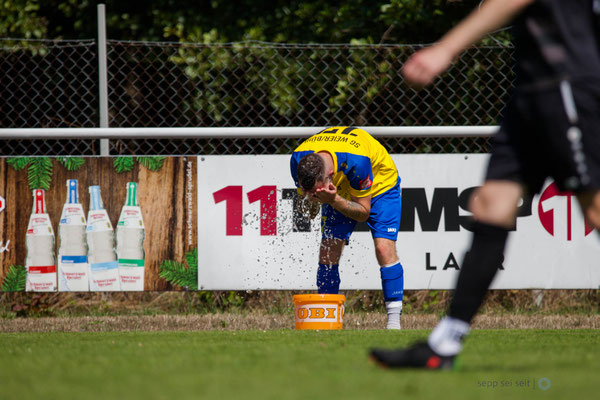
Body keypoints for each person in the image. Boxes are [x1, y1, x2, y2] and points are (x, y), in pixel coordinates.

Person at [370, 0, 600, 368]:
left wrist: (445, 48)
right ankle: (445, 344)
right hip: (529, 93)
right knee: (491, 204)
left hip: (565, 84)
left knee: (594, 207)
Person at [290, 126, 405, 329]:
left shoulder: (357, 162)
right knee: (328, 251)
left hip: (379, 185)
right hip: (339, 187)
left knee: (383, 248)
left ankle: (393, 323)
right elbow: (309, 211)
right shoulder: (298, 160)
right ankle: (327, 320)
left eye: (317, 191)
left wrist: (333, 200)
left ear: (330, 176)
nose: (314, 194)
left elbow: (363, 212)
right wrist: (315, 199)